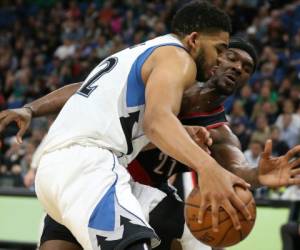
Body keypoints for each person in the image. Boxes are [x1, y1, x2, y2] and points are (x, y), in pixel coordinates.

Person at [2, 38, 300, 250]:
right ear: (216, 57)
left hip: (147, 199)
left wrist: (258, 177)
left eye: (246, 67)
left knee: (189, 232)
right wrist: (31, 108)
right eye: (232, 58)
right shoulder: (166, 79)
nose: (237, 67)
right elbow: (89, 89)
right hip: (91, 179)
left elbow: (236, 168)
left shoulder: (219, 132)